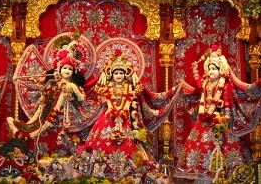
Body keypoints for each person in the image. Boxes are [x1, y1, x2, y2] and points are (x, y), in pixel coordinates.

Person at [74, 50, 179, 181]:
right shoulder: (107, 87)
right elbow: (105, 100)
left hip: (125, 119)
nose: (118, 75)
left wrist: (122, 112)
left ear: (126, 74)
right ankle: (99, 172)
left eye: (121, 73)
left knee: (128, 145)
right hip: (107, 119)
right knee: (102, 143)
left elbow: (129, 100)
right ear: (111, 75)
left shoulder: (129, 88)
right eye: (116, 73)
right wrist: (113, 110)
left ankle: (127, 173)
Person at [175, 44, 261, 181]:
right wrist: (195, 70)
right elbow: (197, 84)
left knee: (225, 150)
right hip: (203, 121)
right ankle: (203, 177)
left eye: (214, 68)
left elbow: (227, 101)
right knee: (199, 149)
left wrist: (225, 116)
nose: (211, 71)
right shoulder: (205, 83)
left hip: (220, 121)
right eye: (209, 68)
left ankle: (224, 176)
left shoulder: (224, 84)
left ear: (220, 70)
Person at [7, 44, 87, 158]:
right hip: (48, 114)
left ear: (74, 71)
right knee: (46, 135)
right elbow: (45, 96)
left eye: (70, 69)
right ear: (59, 69)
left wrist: (72, 93)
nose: (67, 70)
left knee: (63, 139)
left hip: (65, 116)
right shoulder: (53, 84)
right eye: (64, 68)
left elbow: (81, 98)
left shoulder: (73, 86)